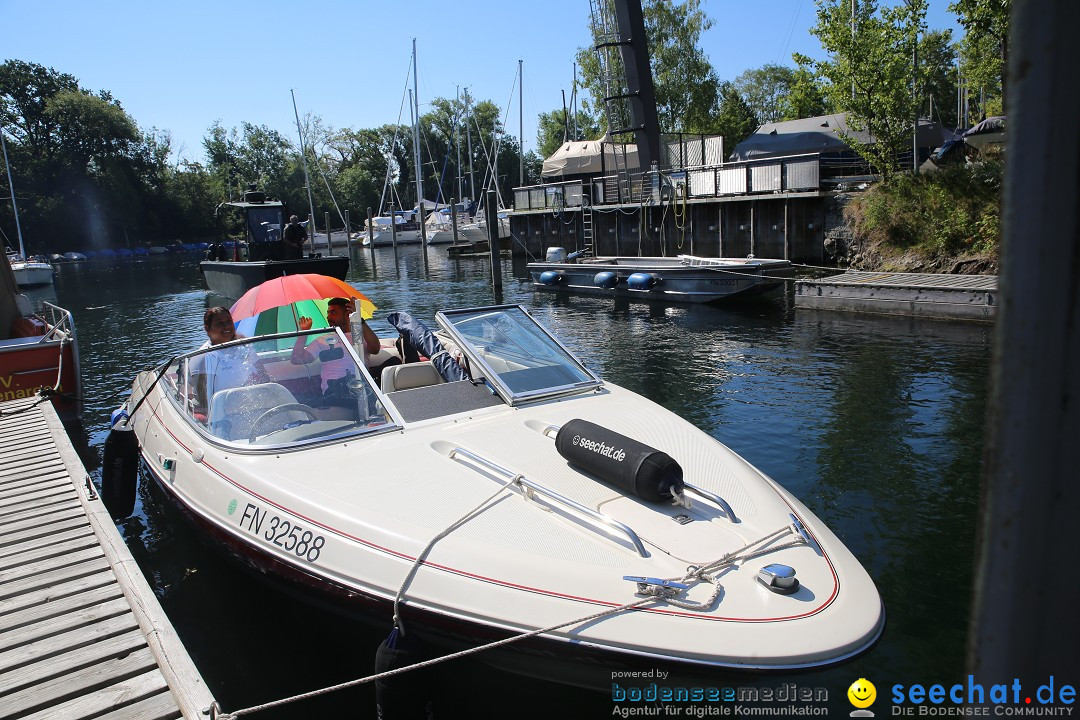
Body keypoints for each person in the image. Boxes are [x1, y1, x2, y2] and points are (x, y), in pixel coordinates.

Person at [290, 297, 381, 407]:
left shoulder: (359, 336)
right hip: (333, 391)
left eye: (333, 313)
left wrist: (359, 320)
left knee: (362, 390)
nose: (329, 317)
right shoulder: (322, 340)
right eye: (328, 313)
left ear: (347, 314)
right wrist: (303, 333)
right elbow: (296, 360)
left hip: (359, 385)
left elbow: (375, 349)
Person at [189, 307, 268, 413]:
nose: (226, 326)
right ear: (208, 329)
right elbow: (205, 400)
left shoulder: (244, 346)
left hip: (253, 406)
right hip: (221, 414)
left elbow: (264, 376)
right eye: (219, 323)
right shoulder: (202, 357)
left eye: (228, 321)